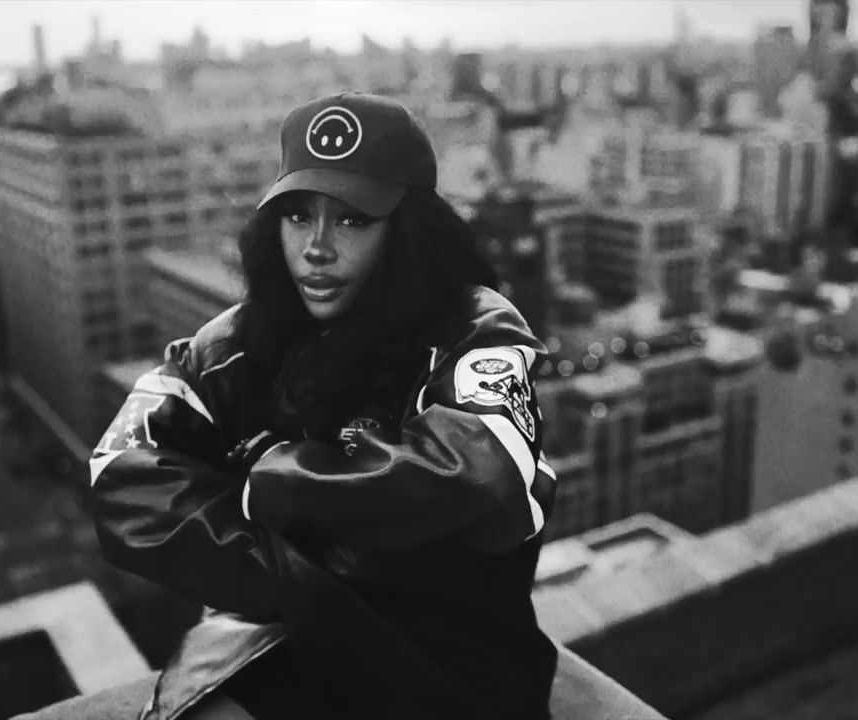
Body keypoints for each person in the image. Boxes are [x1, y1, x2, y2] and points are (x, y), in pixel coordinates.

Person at [85, 92, 559, 719]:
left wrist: (274, 481)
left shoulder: (475, 328)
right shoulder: (233, 345)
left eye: (352, 220)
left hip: (457, 675)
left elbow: (487, 474)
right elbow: (121, 470)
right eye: (298, 216)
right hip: (295, 641)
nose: (317, 247)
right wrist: (295, 573)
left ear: (409, 231)